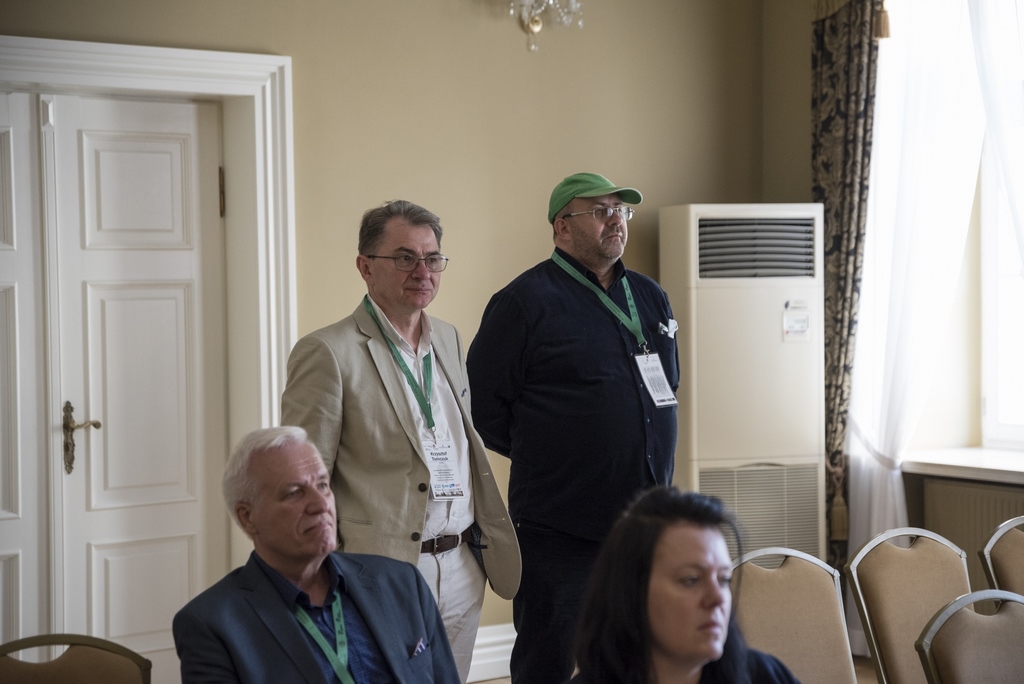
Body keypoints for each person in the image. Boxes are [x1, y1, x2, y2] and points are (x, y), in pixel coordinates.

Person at [280, 200, 521, 682]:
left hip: (462, 565)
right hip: (379, 573)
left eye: (432, 258)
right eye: (405, 257)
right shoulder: (328, 352)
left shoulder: (449, 339)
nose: (422, 271)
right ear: (365, 267)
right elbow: (304, 485)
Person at [466, 172, 679, 684]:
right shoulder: (523, 303)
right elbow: (482, 406)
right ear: (563, 226)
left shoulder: (650, 296)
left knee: (638, 660)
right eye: (601, 211)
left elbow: (666, 384)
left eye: (621, 211)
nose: (616, 221)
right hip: (561, 529)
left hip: (644, 525)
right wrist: (552, 449)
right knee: (550, 662)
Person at [172, 426, 460, 683]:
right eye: (294, 492)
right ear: (248, 517)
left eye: (323, 485)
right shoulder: (212, 624)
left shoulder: (402, 583)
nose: (321, 504)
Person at [569, 487, 801, 684]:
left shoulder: (764, 675)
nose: (717, 599)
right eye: (691, 579)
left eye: (723, 580)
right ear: (631, 592)